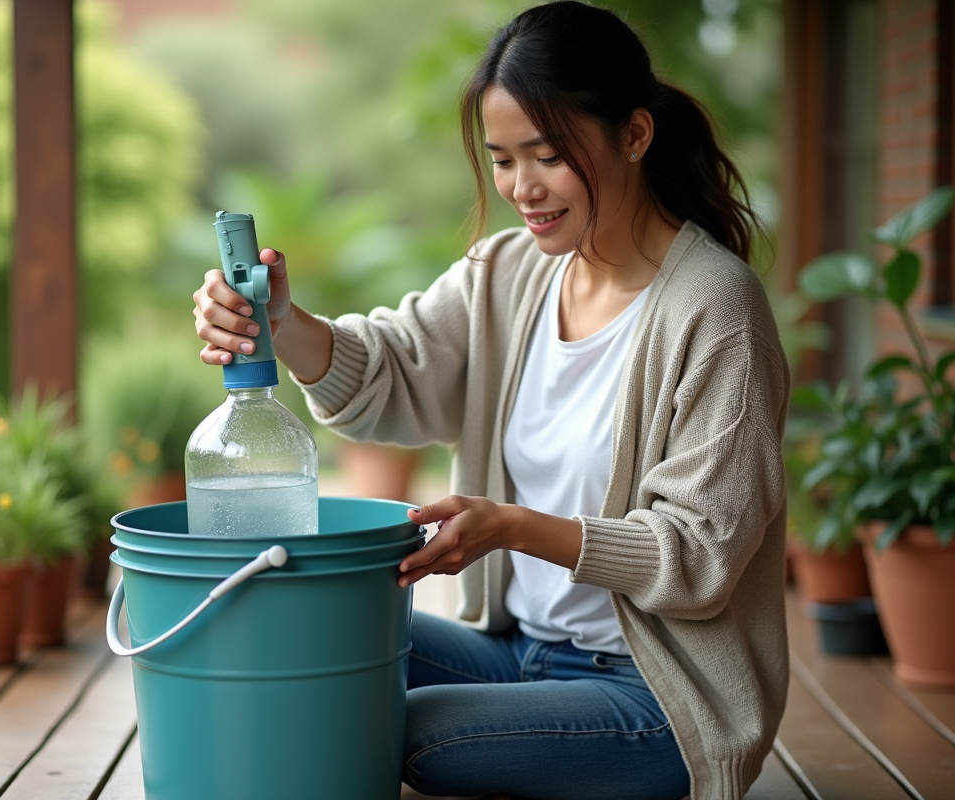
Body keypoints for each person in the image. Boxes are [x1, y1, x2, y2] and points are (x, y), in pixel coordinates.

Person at [193, 2, 789, 798]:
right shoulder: (509, 273)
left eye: (547, 156)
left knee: (387, 731)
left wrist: (511, 527)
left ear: (636, 135)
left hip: (656, 700)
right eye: (502, 160)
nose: (520, 188)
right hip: (519, 654)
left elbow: (701, 555)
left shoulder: (716, 307)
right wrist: (282, 322)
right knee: (309, 646)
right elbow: (392, 370)